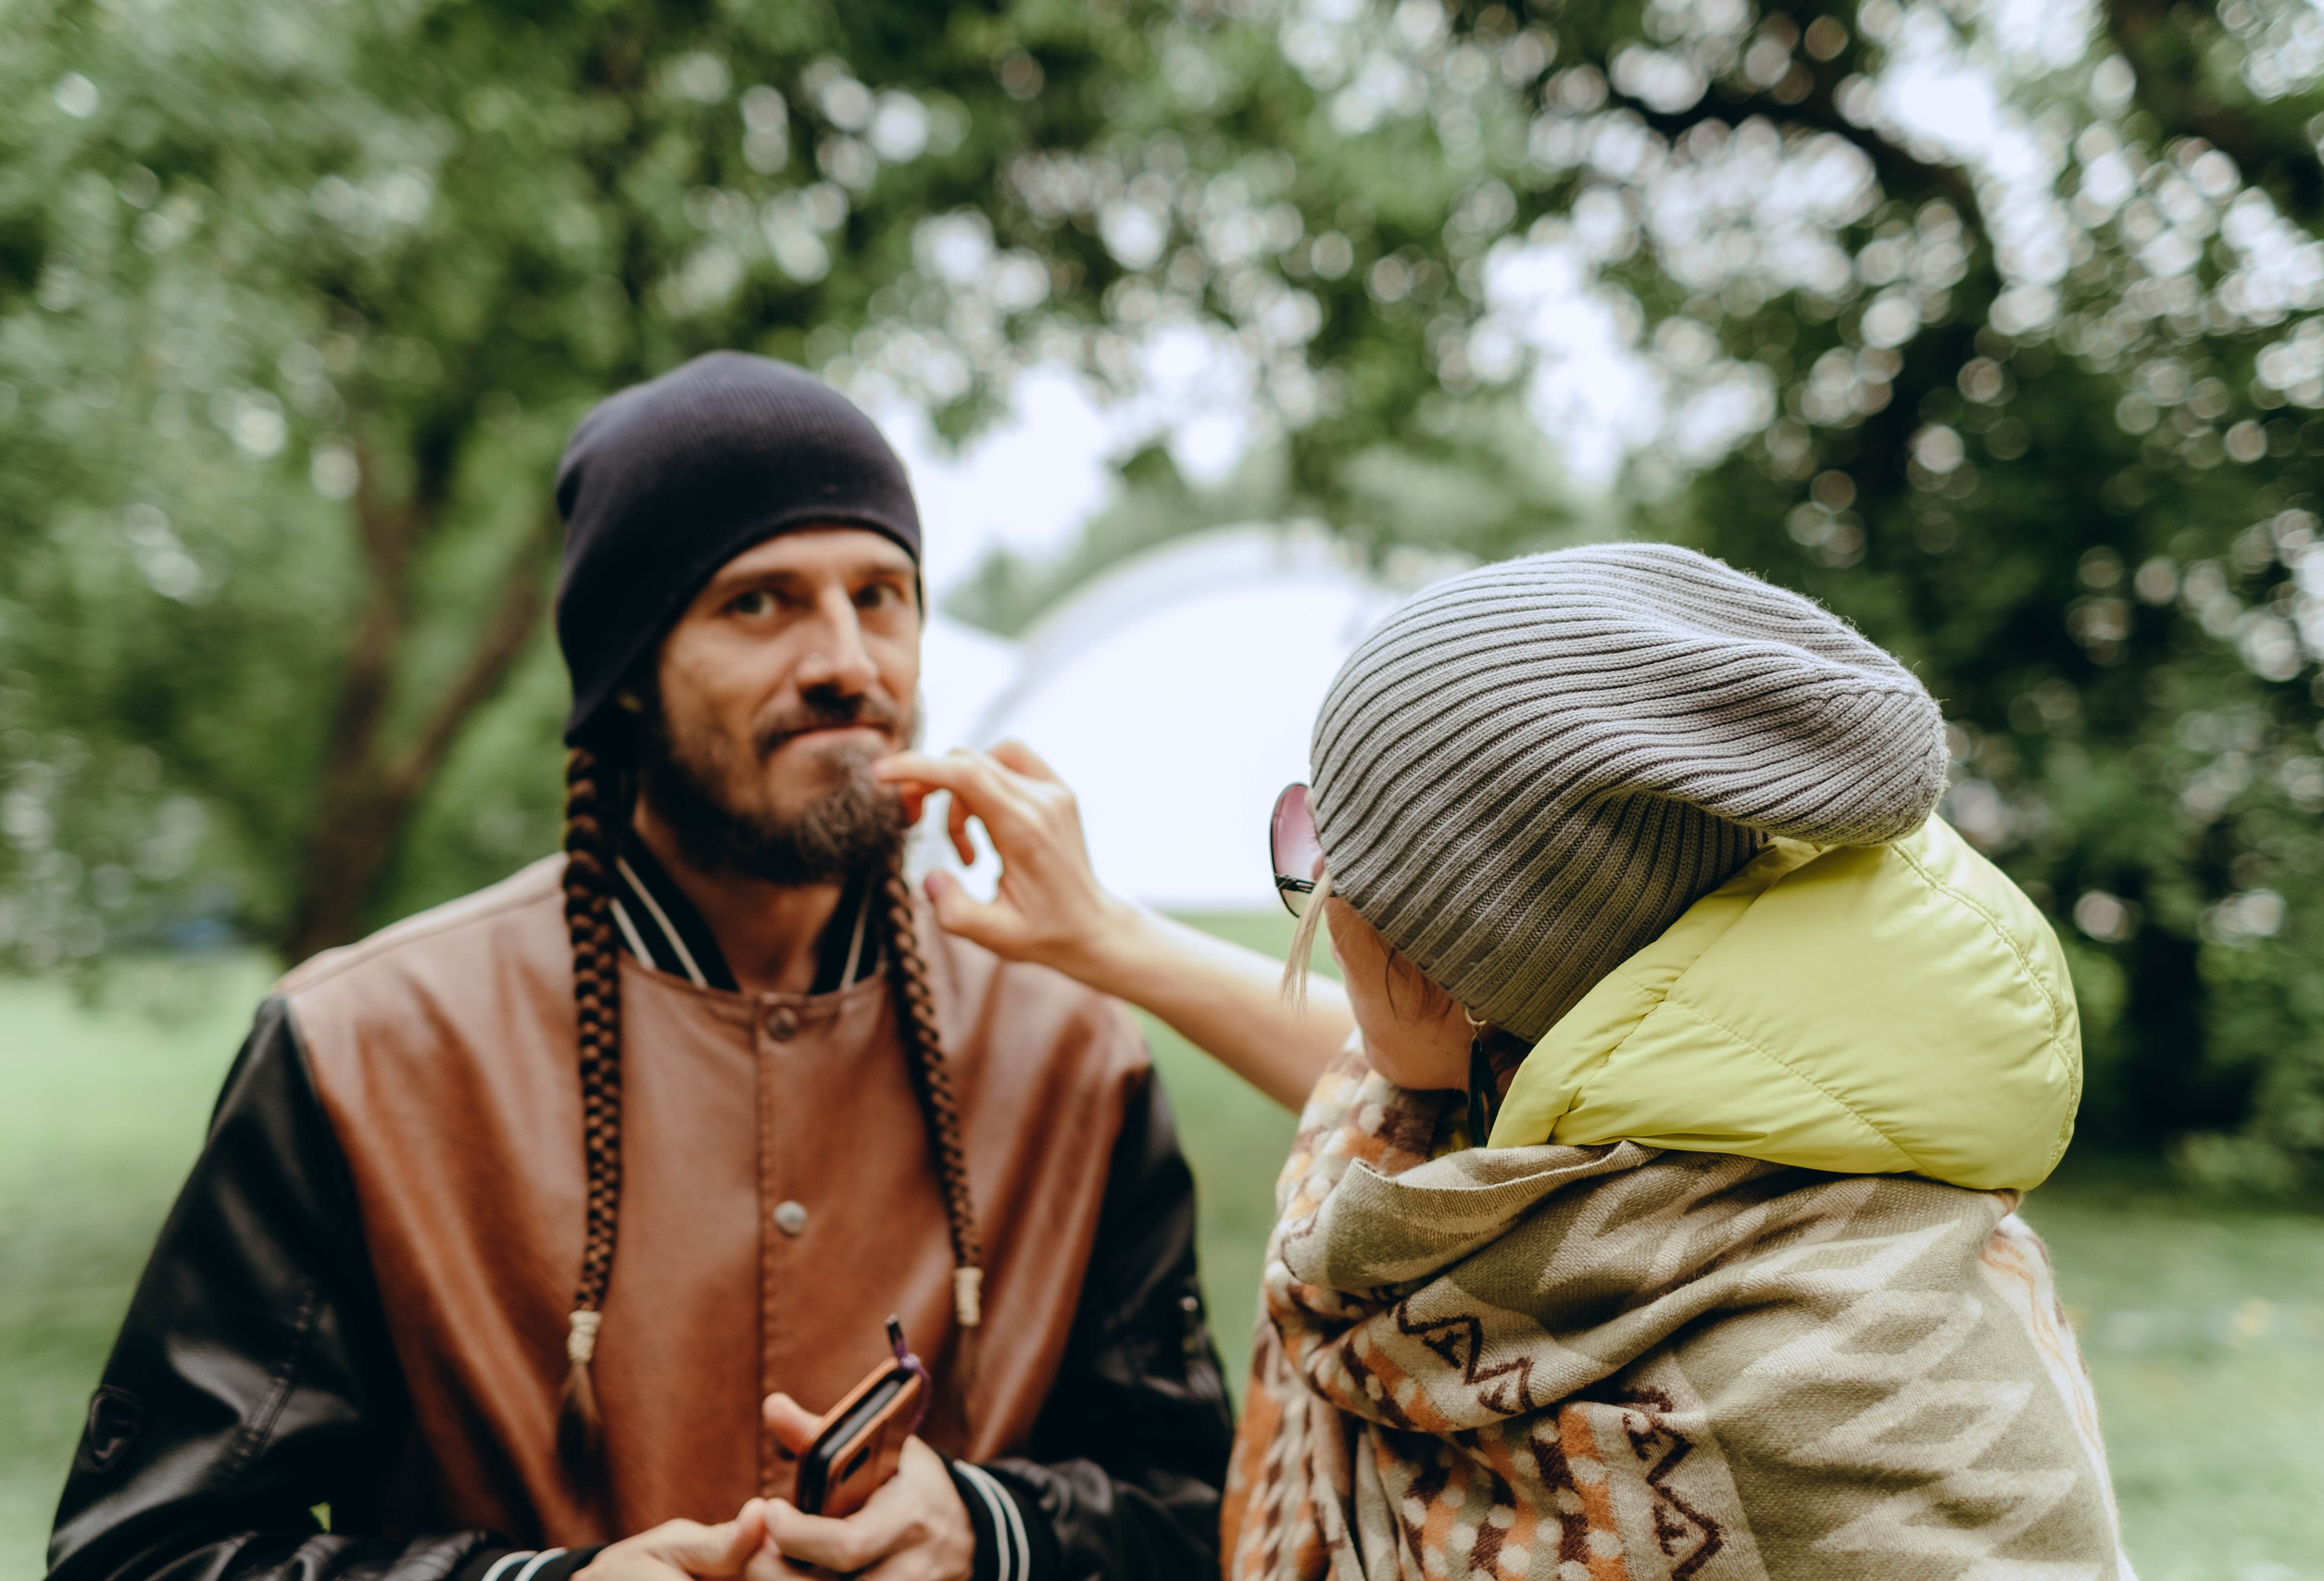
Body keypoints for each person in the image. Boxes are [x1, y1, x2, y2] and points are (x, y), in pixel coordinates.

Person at [46, 353, 1230, 1581]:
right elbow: (146, 1552)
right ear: (624, 683)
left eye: (881, 594)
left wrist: (994, 1531)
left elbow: (1209, 1513)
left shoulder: (1075, 1050)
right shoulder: (362, 1047)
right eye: (758, 603)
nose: (846, 661)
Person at [882, 544, 2130, 1581]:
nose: (1307, 890)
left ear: (1453, 959)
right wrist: (1104, 936)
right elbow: (1405, 1091)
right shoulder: (1556, 1126)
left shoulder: (1855, 1386)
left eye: (1331, 851)